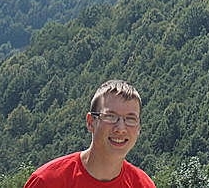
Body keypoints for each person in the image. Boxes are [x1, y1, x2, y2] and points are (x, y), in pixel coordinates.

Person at [24, 79, 155, 187]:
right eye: (110, 116)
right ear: (90, 122)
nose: (120, 128)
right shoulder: (47, 181)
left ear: (139, 128)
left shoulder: (143, 184)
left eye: (130, 119)